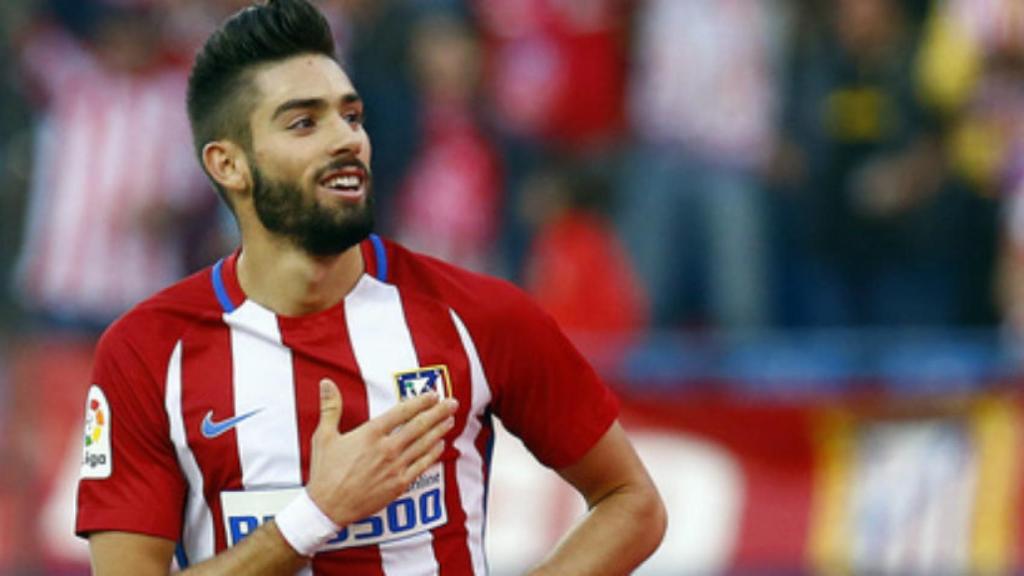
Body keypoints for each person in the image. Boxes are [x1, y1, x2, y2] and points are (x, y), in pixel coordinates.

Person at [74, 0, 666, 574]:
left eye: (350, 116)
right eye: (305, 122)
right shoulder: (147, 353)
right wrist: (316, 515)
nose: (346, 139)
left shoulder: (479, 315)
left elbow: (632, 502)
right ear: (229, 164)